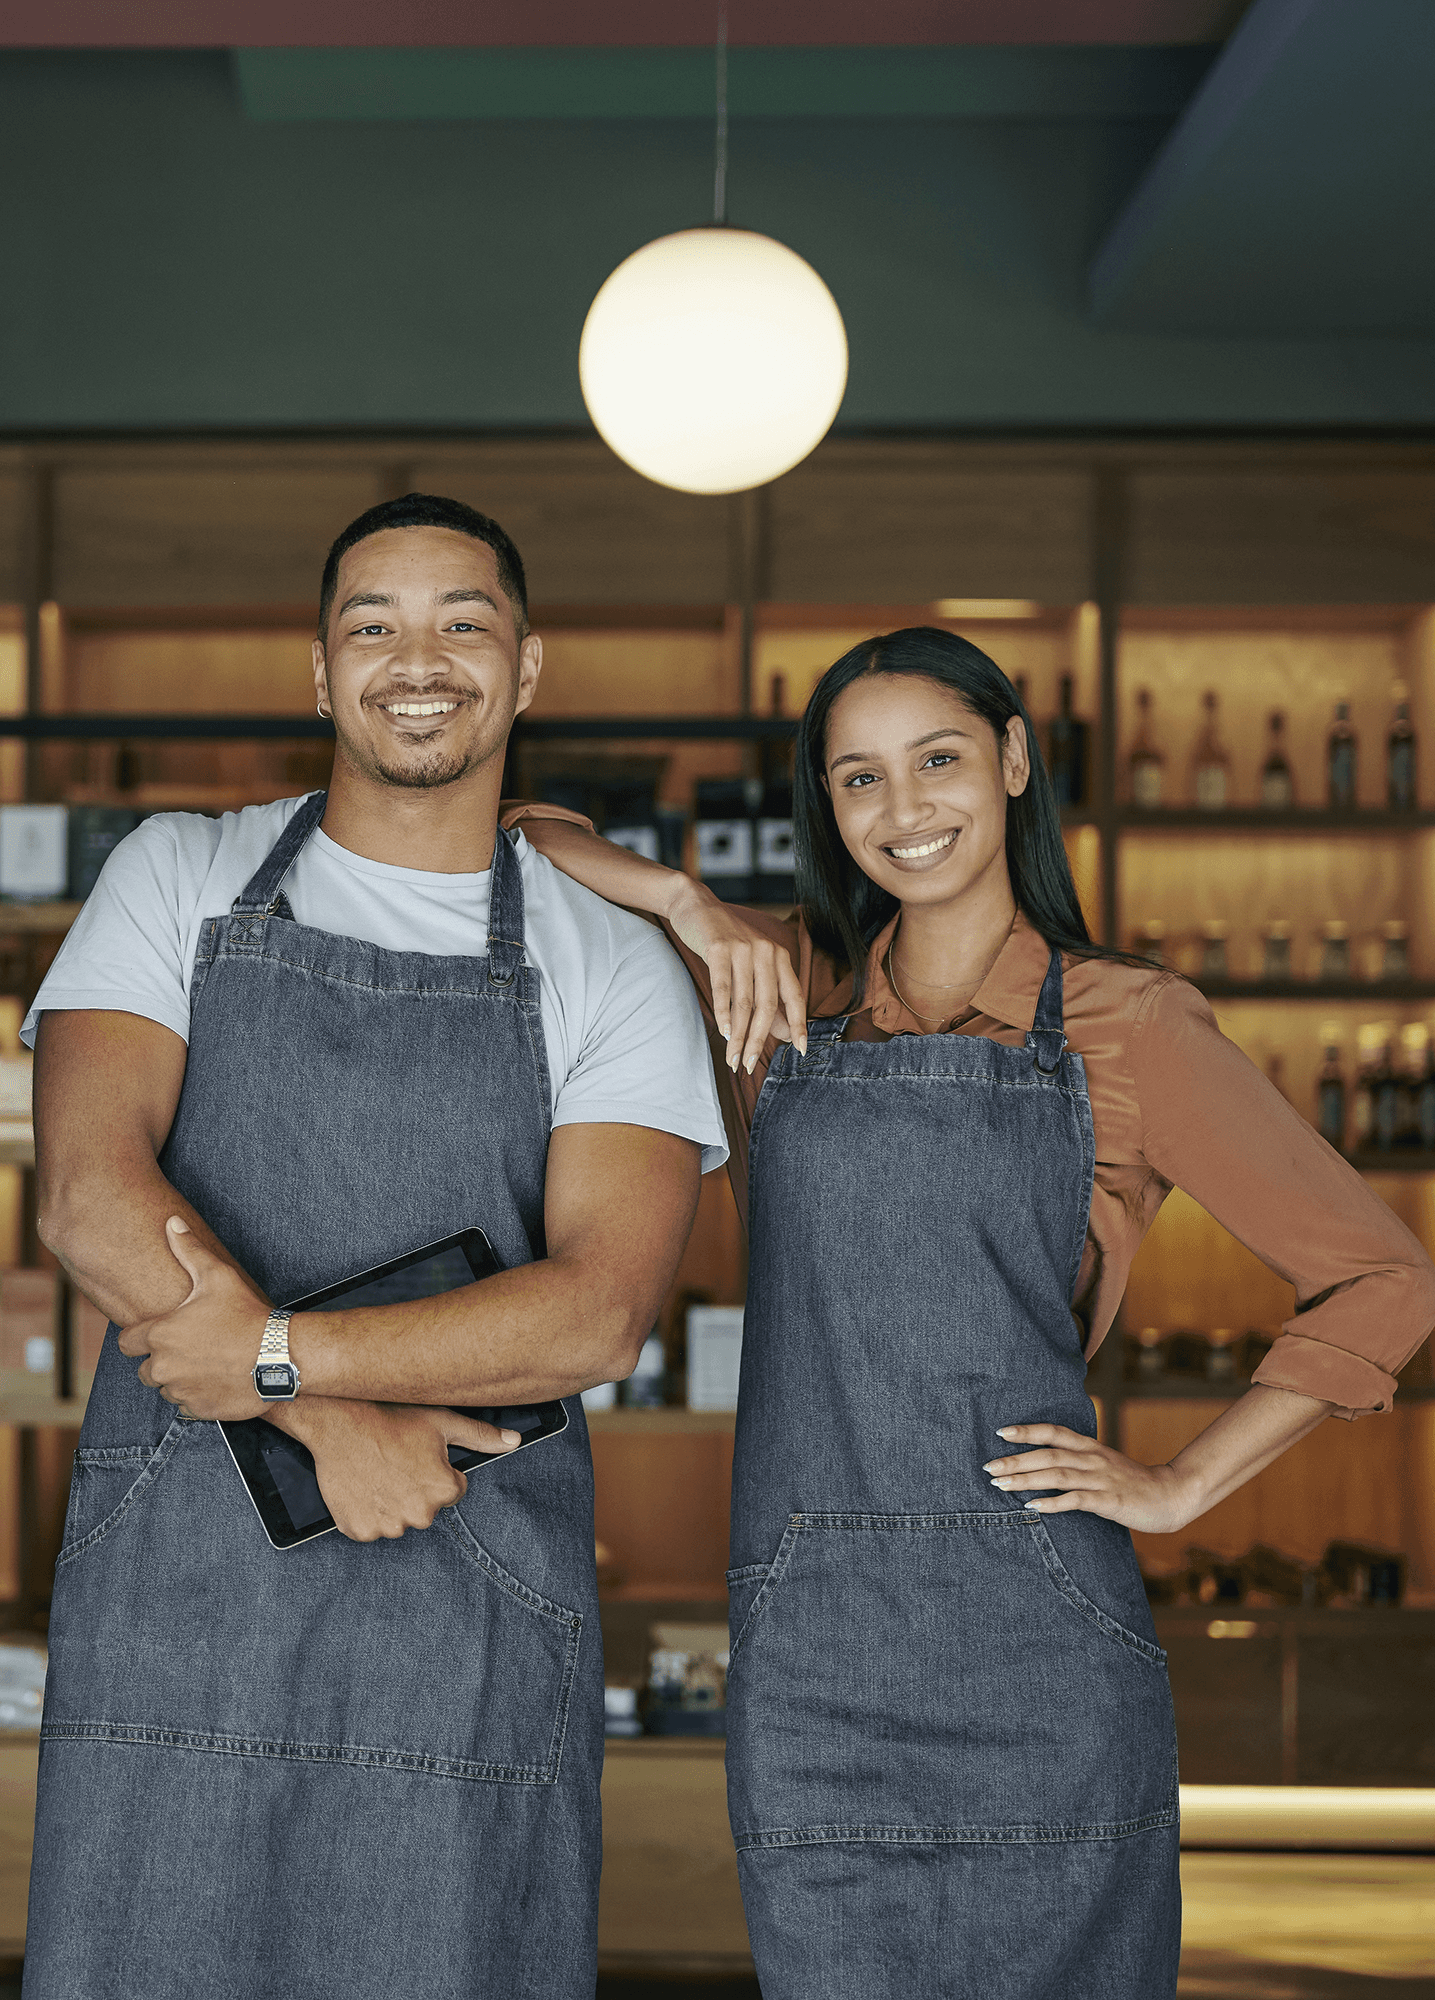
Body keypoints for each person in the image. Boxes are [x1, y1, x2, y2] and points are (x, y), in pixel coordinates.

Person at [514, 626, 1435, 1999]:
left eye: (937, 760)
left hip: (1039, 1648)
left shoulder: (1129, 1025)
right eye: (858, 779)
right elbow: (519, 832)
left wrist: (1180, 1487)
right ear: (824, 808)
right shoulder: (786, 988)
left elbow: (1384, 1275)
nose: (904, 810)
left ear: (1010, 760)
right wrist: (688, 905)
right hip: (810, 1654)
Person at [22, 493, 727, 2000]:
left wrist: (271, 1351)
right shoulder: (179, 871)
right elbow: (87, 1192)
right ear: (320, 670)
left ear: (526, 670)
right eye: (374, 625)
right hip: (183, 1590)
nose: (421, 660)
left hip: (463, 1589)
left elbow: (598, 1314)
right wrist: (315, 1410)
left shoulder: (613, 963)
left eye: (463, 623)